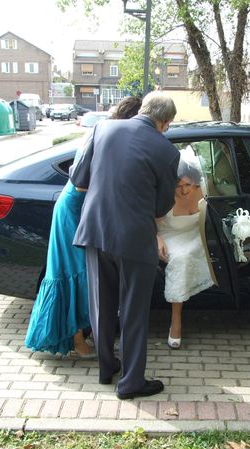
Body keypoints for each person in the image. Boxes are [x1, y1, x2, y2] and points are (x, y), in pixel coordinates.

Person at [71, 91, 180, 400]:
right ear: (165, 122)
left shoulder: (102, 128)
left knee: (102, 304)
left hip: (96, 229)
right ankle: (131, 383)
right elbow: (161, 207)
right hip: (134, 237)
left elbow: (79, 179)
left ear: (142, 109)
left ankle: (107, 368)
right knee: (133, 310)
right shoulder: (167, 151)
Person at [24, 96, 143, 359]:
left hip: (81, 210)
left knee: (80, 273)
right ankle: (77, 342)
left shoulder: (105, 134)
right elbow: (81, 182)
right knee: (75, 273)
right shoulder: (103, 136)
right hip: (74, 211)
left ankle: (78, 337)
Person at [156, 155, 214, 349]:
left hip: (196, 234)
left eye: (188, 185)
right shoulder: (164, 195)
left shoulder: (204, 190)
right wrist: (157, 238)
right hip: (170, 235)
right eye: (178, 186)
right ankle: (176, 319)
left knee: (209, 248)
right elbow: (149, 218)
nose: (184, 190)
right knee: (180, 258)